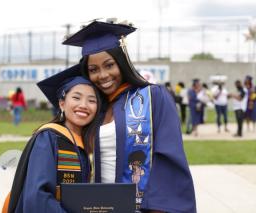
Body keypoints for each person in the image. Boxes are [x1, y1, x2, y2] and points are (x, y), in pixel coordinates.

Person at [63, 19, 196, 212]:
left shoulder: (153, 97)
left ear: (122, 62)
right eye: (94, 70)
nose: (103, 75)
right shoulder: (95, 108)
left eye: (109, 65)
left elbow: (169, 160)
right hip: (97, 206)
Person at [3, 64, 101, 213]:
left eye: (92, 101)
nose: (83, 105)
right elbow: (37, 198)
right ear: (62, 103)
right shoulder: (49, 138)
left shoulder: (85, 144)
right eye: (76, 97)